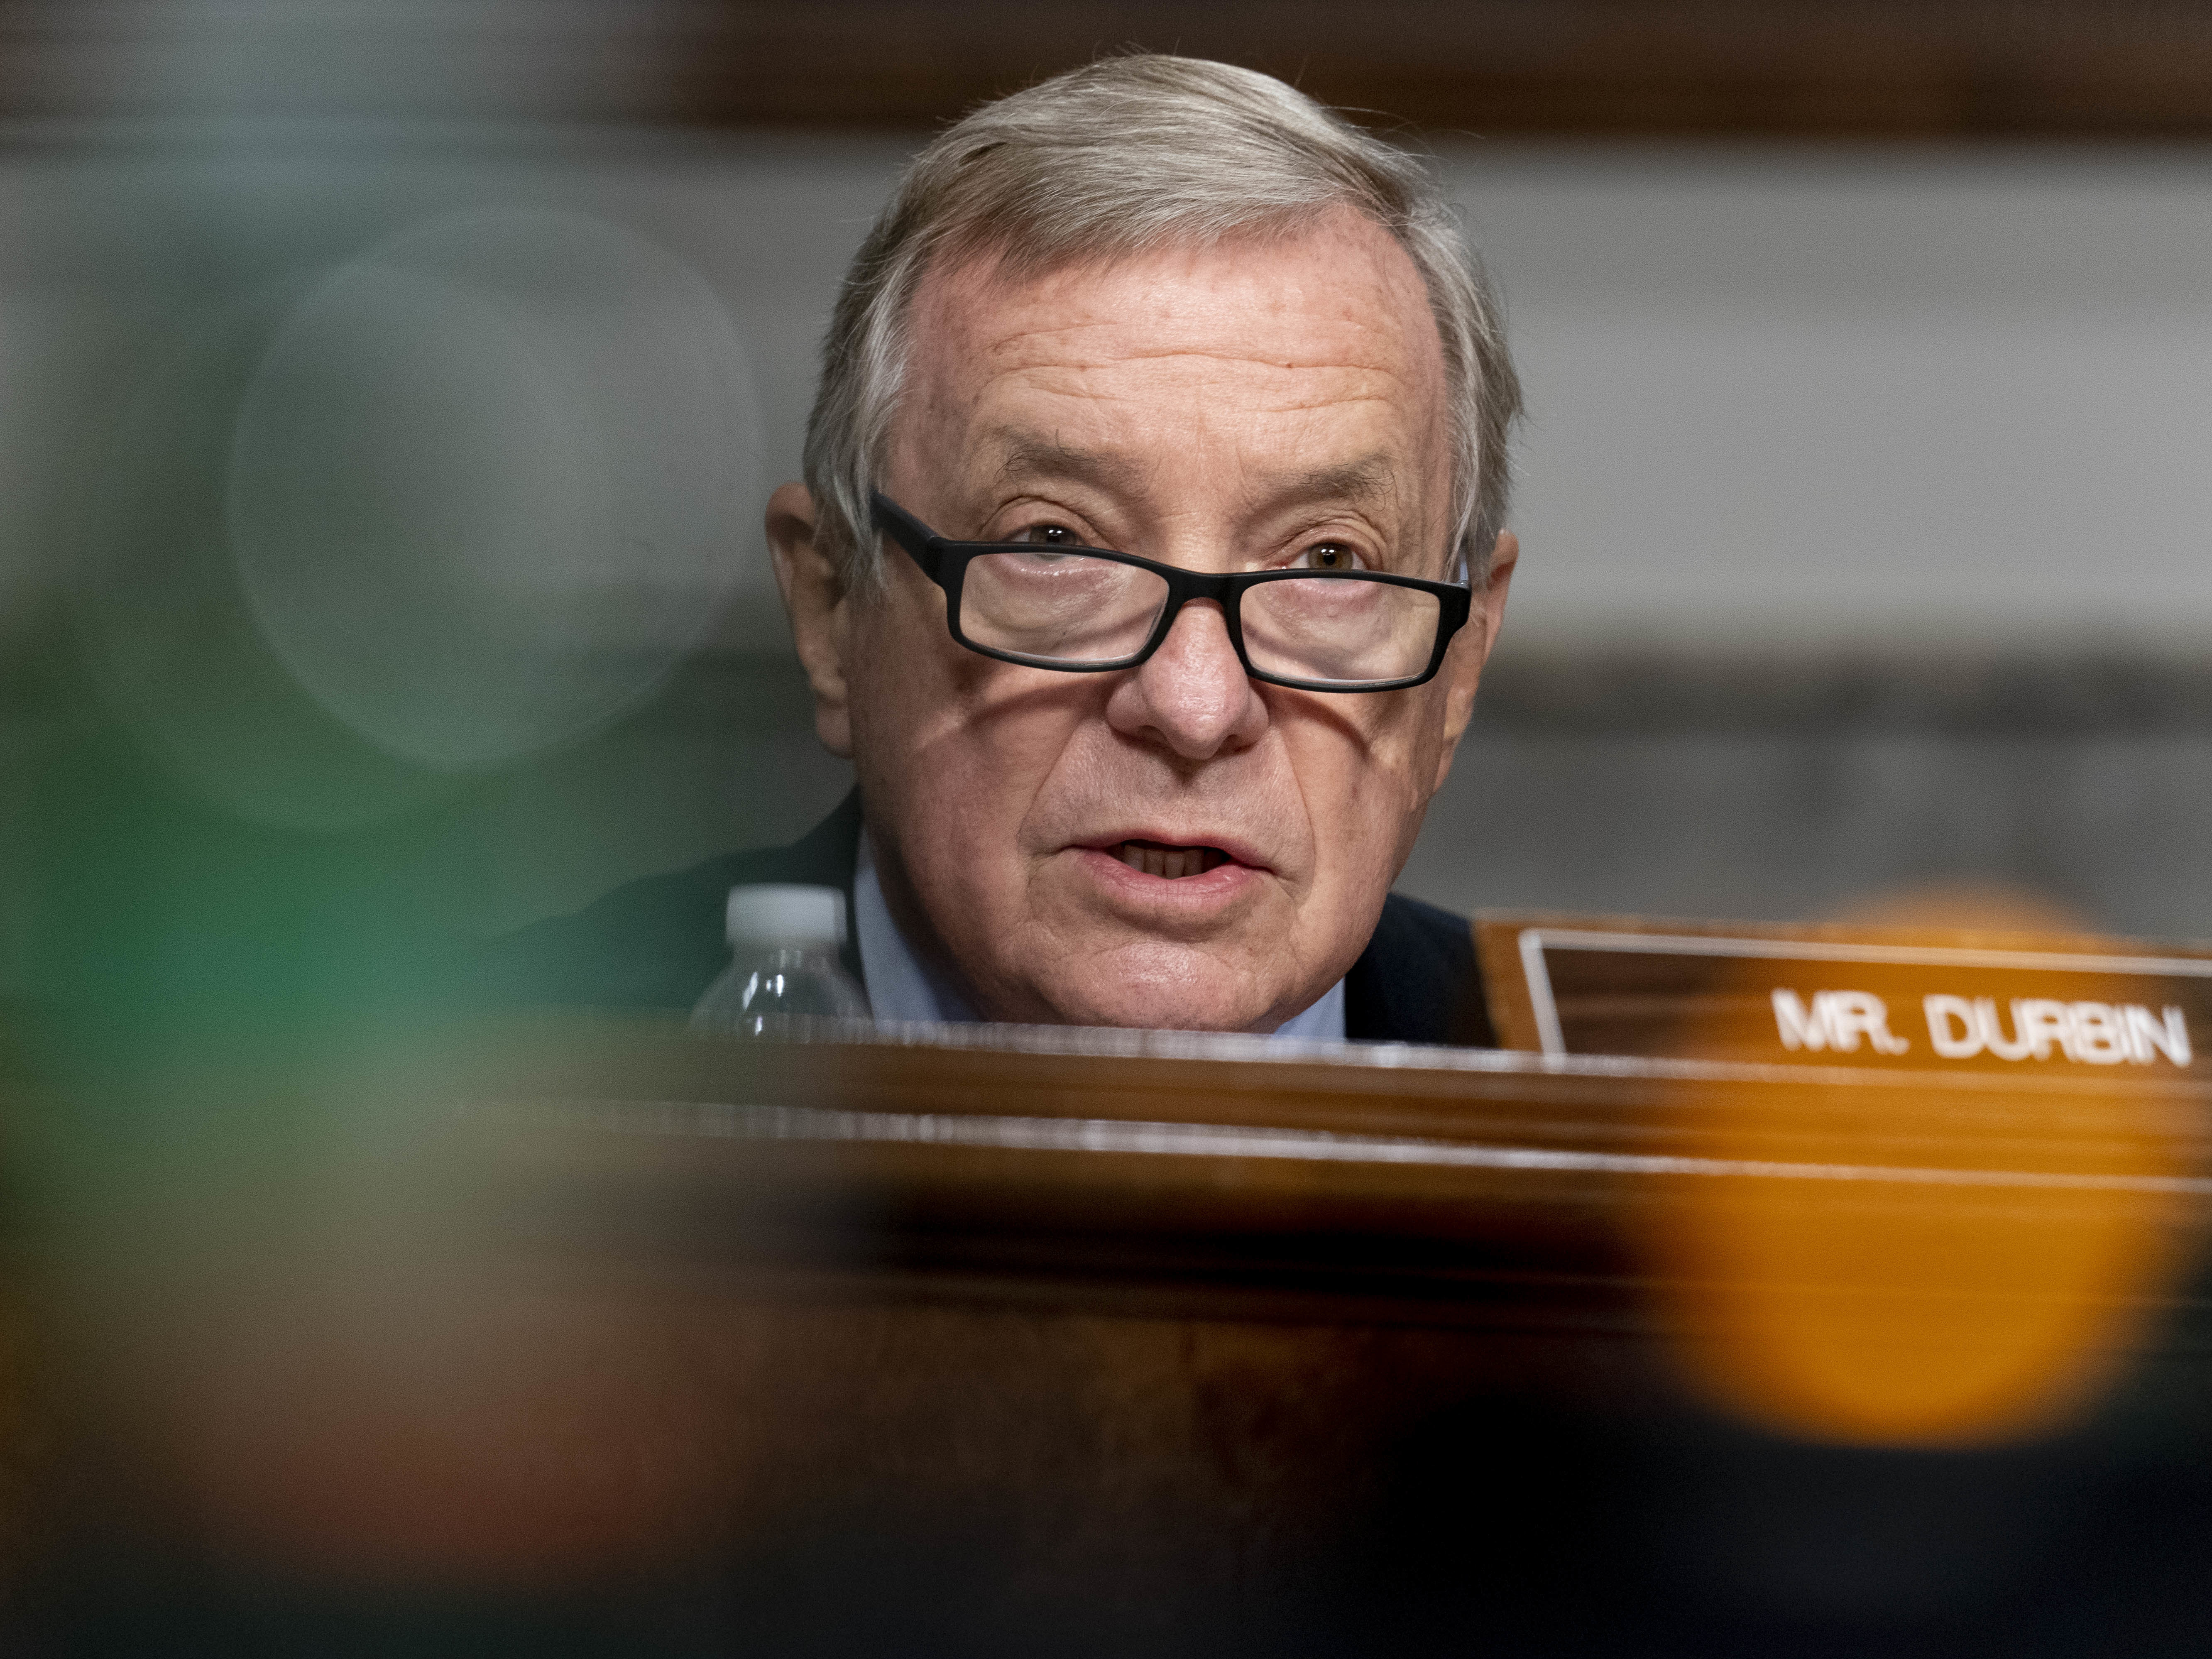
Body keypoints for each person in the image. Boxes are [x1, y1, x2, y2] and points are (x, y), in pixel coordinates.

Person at [486, 54, 1521, 1044]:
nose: (1195, 707)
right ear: (832, 607)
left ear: (1461, 670)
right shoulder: (442, 1107)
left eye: (1325, 565)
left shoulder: (1653, 1143)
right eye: (1055, 541)